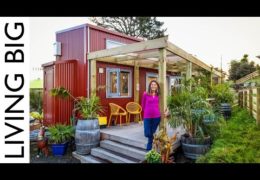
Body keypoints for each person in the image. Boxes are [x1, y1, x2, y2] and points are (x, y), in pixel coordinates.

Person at [141, 80, 162, 151]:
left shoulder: (158, 95)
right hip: (147, 117)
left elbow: (162, 105)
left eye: (155, 85)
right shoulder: (145, 94)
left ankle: (149, 149)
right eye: (152, 84)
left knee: (152, 133)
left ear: (157, 87)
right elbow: (143, 105)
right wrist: (147, 112)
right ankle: (154, 141)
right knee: (147, 133)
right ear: (150, 86)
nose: (153, 86)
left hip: (156, 117)